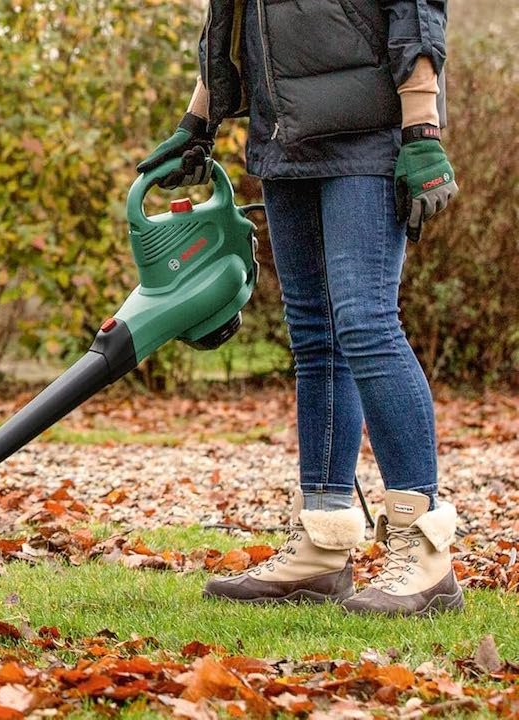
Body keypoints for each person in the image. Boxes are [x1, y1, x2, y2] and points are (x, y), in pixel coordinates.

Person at [138, 0, 461, 616]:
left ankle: (424, 551)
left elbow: (414, 12)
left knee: (365, 322)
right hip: (284, 136)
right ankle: (322, 540)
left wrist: (422, 129)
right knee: (316, 337)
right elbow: (229, 19)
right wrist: (198, 119)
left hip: (367, 133)